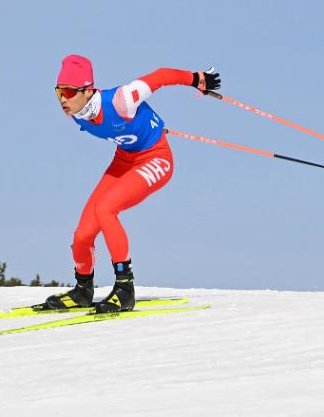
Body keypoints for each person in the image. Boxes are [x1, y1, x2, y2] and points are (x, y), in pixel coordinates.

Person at [43, 54, 220, 313]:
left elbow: (160, 76)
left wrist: (197, 79)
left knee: (106, 209)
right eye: (58, 92)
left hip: (156, 158)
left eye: (68, 92)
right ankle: (83, 290)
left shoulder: (121, 101)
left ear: (88, 90)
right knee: (82, 235)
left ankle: (125, 288)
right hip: (124, 160)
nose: (62, 100)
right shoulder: (76, 113)